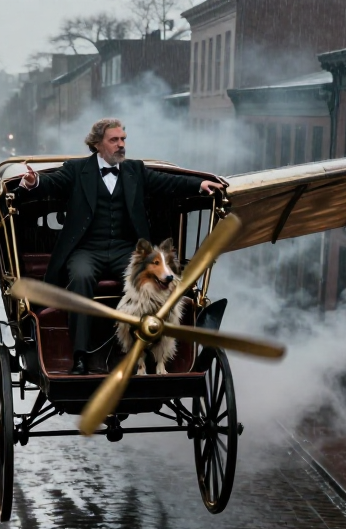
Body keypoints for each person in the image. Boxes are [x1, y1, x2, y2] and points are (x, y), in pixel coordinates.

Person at [20, 118, 223, 374]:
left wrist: (199, 185)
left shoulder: (134, 170)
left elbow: (168, 183)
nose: (121, 145)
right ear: (97, 144)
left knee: (150, 281)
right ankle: (80, 356)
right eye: (114, 140)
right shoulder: (76, 170)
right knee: (80, 278)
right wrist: (32, 182)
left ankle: (145, 351)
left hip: (125, 251)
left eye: (123, 139)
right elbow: (51, 183)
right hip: (87, 250)